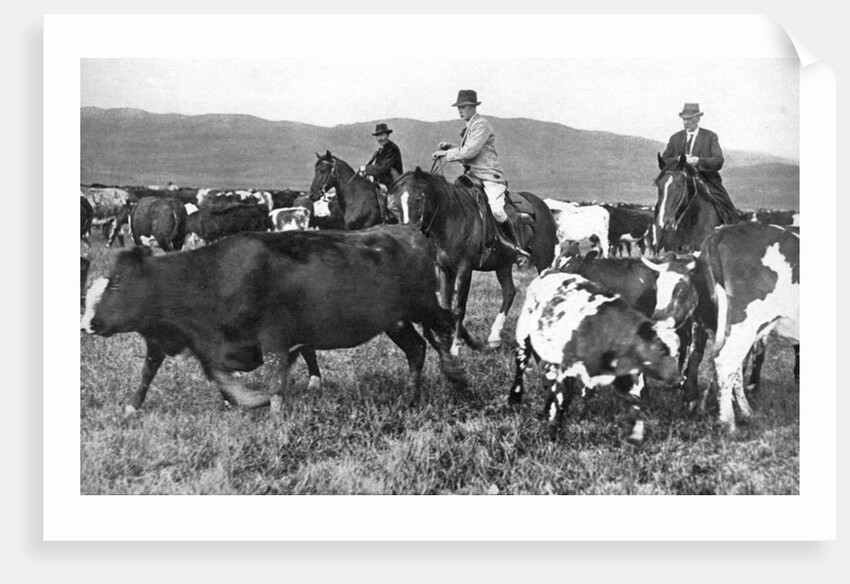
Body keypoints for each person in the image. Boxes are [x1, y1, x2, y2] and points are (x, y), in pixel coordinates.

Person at [432, 89, 530, 260]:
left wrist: (445, 154)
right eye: (458, 107)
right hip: (474, 176)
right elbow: (469, 150)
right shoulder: (471, 125)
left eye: (462, 107)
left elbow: (470, 151)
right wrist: (451, 147)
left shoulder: (481, 125)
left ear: (472, 106)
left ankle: (516, 248)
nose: (459, 110)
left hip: (490, 177)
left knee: (497, 210)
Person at [660, 103, 737, 223]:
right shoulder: (675, 138)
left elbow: (718, 160)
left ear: (697, 119)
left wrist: (699, 161)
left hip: (706, 180)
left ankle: (731, 229)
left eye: (689, 119)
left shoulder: (710, 137)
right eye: (684, 119)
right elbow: (665, 160)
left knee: (727, 207)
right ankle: (657, 234)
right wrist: (679, 158)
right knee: (663, 204)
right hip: (679, 179)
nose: (686, 122)